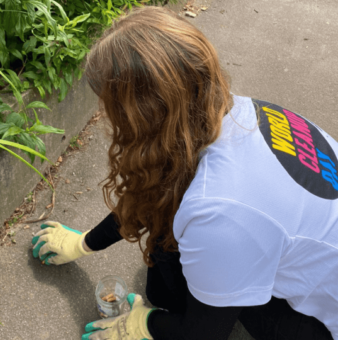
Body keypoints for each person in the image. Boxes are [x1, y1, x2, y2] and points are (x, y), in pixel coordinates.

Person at [31, 5, 338, 340]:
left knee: (170, 261)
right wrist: (84, 243)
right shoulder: (233, 109)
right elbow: (157, 188)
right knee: (167, 247)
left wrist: (145, 324)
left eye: (111, 106)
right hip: (304, 254)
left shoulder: (219, 210)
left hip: (324, 323)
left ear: (144, 114)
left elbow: (203, 335)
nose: (105, 114)